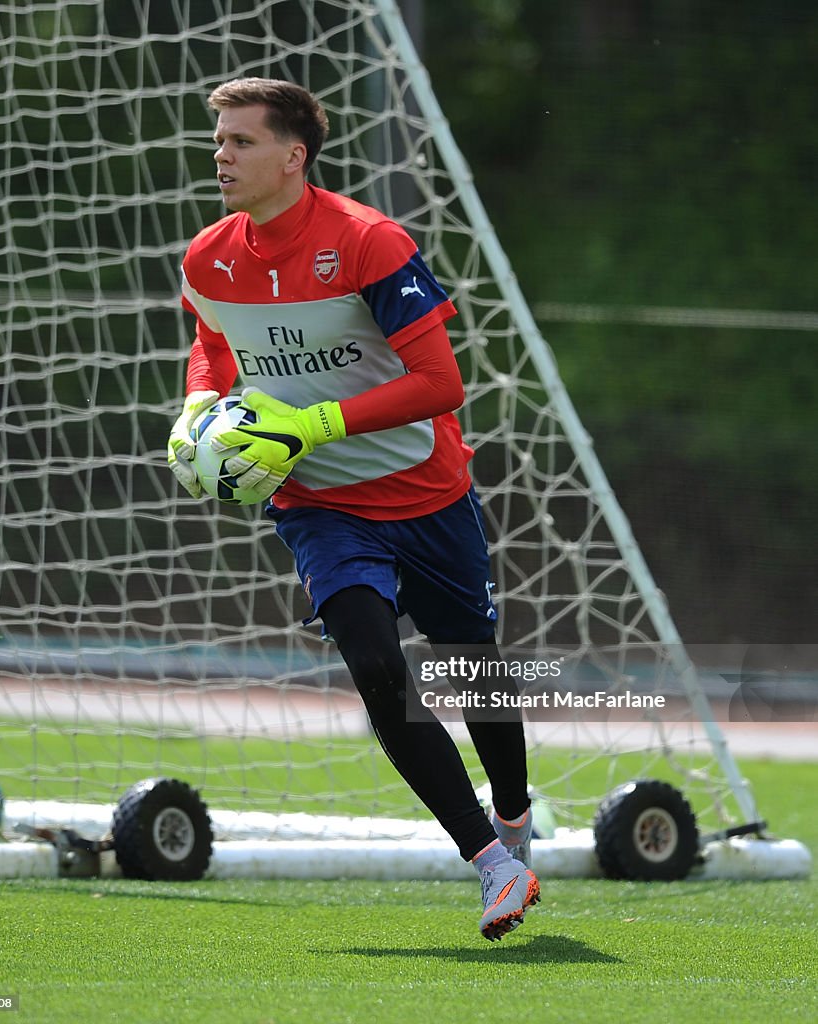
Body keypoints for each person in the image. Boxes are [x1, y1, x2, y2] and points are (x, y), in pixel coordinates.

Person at [167, 77, 539, 941]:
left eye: (240, 141)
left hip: (425, 490)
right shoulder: (207, 257)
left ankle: (516, 815)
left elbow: (442, 383)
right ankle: (492, 863)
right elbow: (212, 345)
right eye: (218, 139)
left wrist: (313, 420)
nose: (220, 155)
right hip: (318, 502)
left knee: (470, 668)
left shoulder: (368, 241)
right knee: (376, 666)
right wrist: (197, 405)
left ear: (293, 157)